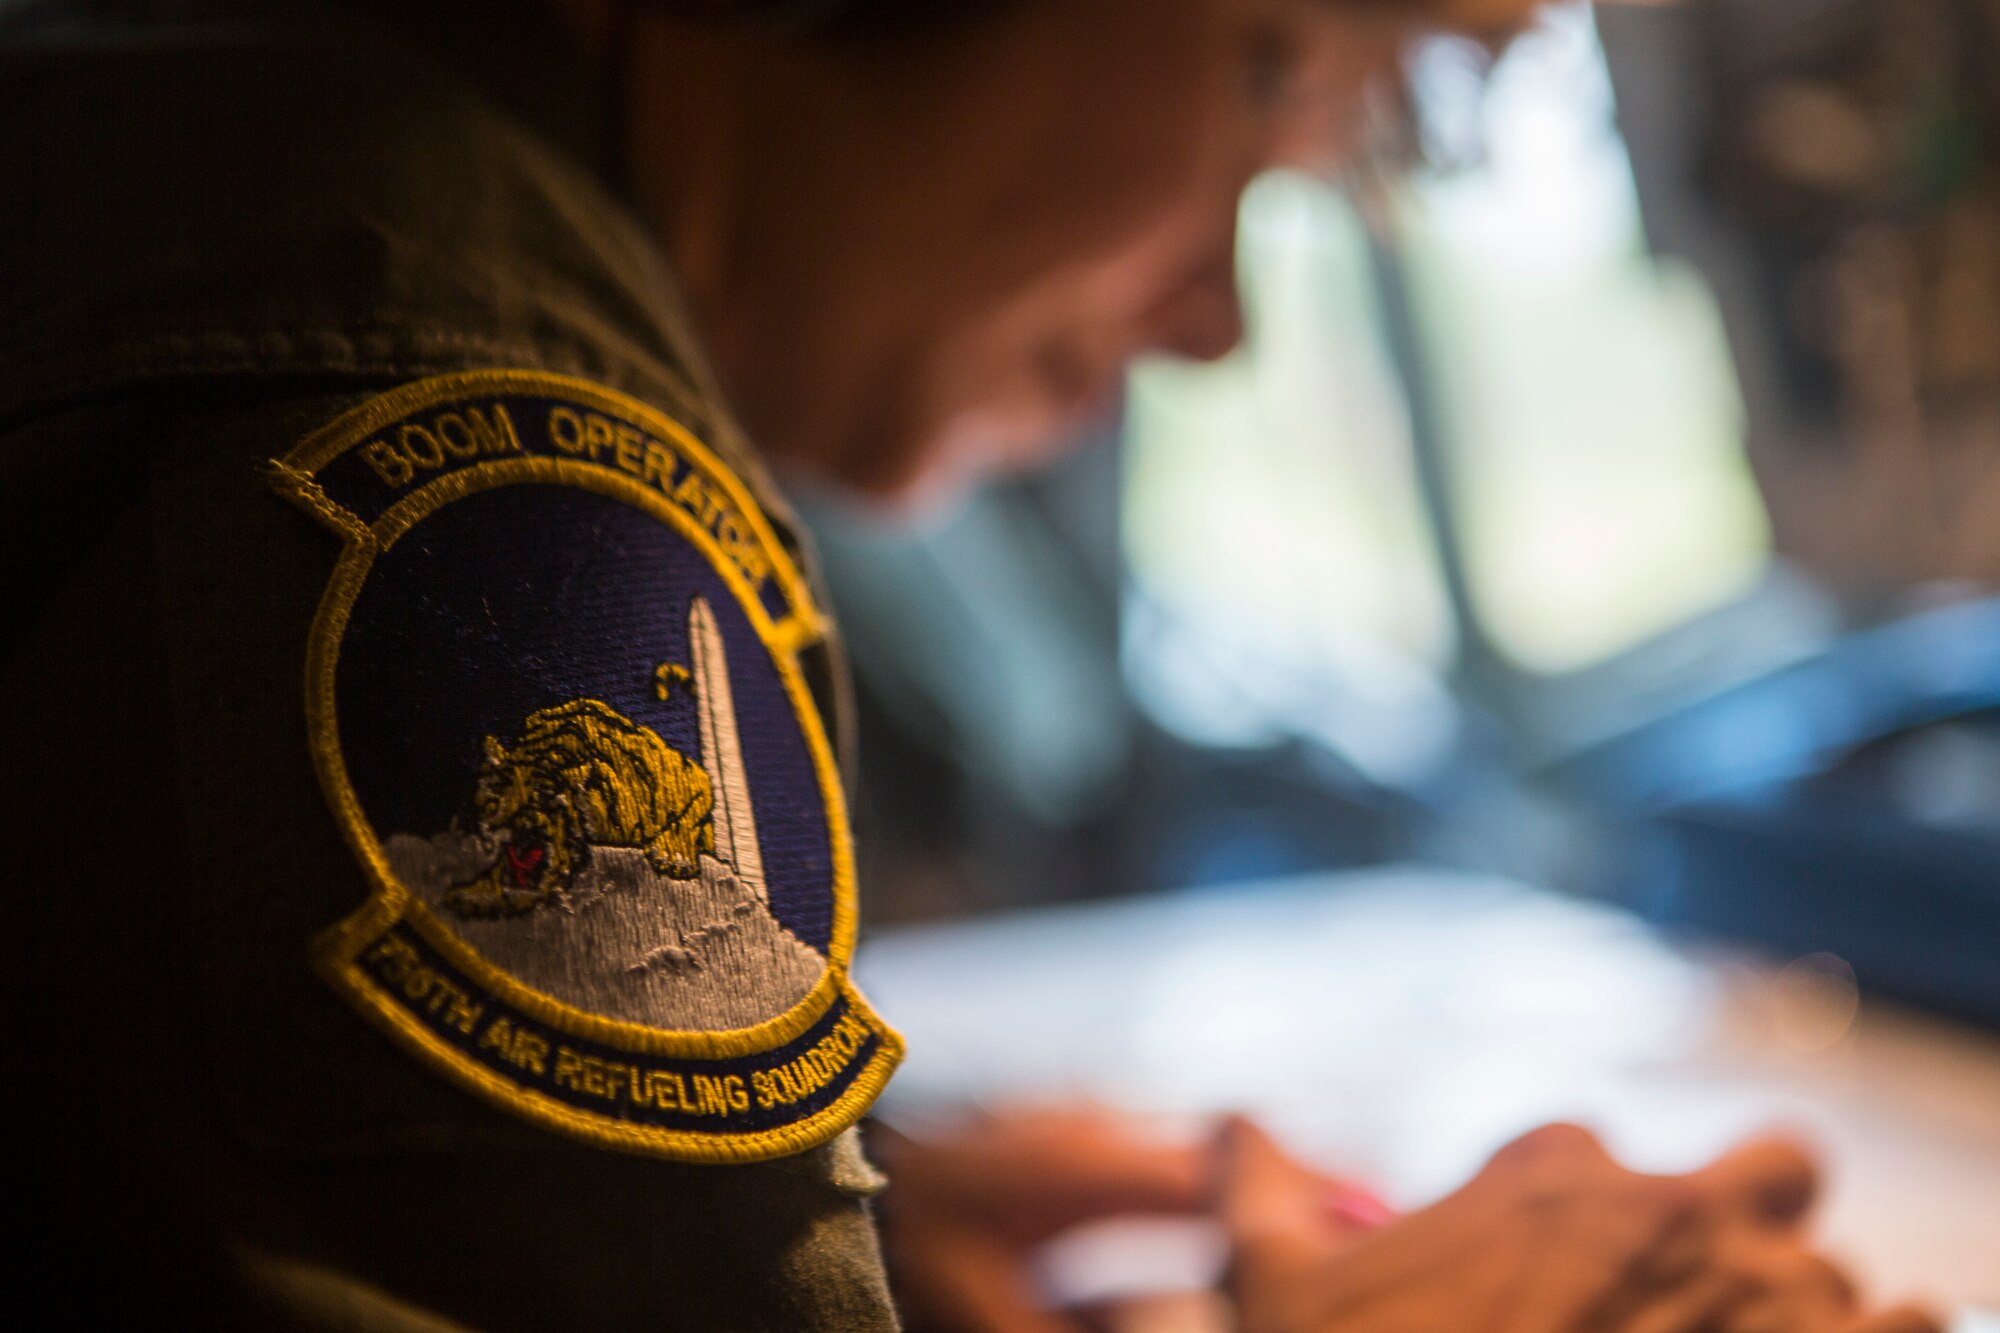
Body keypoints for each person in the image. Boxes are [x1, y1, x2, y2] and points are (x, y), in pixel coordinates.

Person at [0, 0, 1942, 1329]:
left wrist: (820, 1230)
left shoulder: (235, 149)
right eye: (1265, 70)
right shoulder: (444, 410)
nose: (1218, 321)